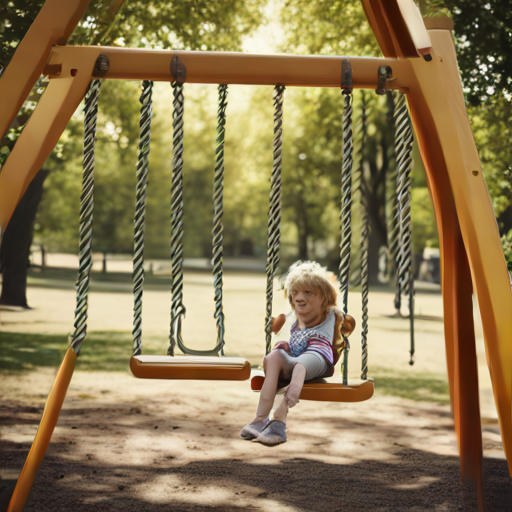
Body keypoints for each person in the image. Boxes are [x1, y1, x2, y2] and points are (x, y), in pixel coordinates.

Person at [240, 260, 354, 446]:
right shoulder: (295, 314)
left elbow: (347, 323)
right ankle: (260, 419)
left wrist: (347, 326)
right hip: (296, 358)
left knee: (302, 364)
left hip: (319, 357)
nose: (299, 298)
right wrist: (275, 325)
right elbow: (281, 323)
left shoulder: (331, 313)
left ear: (324, 297)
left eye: (308, 292)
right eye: (295, 293)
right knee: (273, 357)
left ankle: (279, 418)